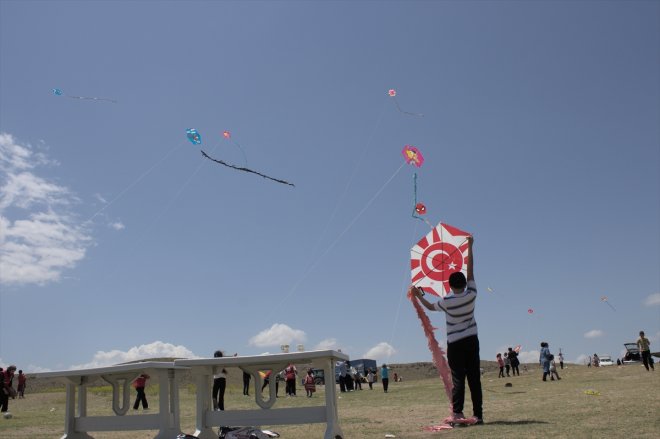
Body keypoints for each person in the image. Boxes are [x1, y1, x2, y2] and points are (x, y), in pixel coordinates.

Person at [410, 235, 483, 425]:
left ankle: (458, 413)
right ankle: (479, 415)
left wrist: (418, 295)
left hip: (455, 344)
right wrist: (469, 246)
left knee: (458, 378)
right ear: (465, 284)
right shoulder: (472, 295)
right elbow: (470, 271)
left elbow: (430, 307)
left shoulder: (446, 302)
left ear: (450, 286)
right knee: (474, 378)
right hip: (472, 341)